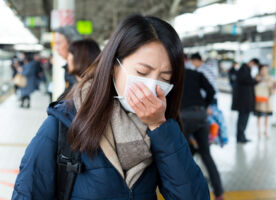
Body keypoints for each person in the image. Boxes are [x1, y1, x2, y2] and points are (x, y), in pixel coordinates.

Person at [12, 15, 210, 199]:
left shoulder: (163, 130)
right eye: (142, 72)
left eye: (165, 78)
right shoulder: (62, 124)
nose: (151, 86)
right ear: (114, 66)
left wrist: (159, 127)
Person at [180, 68, 224, 200]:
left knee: (182, 157)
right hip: (200, 114)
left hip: (183, 116)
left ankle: (185, 193)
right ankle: (219, 193)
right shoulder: (196, 74)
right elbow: (211, 90)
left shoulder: (173, 74)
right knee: (206, 155)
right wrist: (205, 105)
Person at [232, 58, 261, 143]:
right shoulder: (243, 69)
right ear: (252, 62)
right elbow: (246, 81)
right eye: (255, 65)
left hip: (245, 101)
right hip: (244, 101)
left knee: (244, 119)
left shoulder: (245, 69)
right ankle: (240, 137)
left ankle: (242, 136)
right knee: (242, 119)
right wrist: (255, 80)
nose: (254, 67)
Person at [54, 26, 82, 93]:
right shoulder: (68, 66)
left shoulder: (83, 67)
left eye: (58, 43)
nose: (56, 48)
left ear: (71, 43)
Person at [254, 64, 276, 139]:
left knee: (267, 117)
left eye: (265, 69)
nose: (264, 71)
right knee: (259, 116)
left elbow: (272, 90)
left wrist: (274, 87)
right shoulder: (256, 77)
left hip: (266, 100)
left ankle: (266, 131)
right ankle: (259, 131)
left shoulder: (270, 78)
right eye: (263, 69)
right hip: (258, 100)